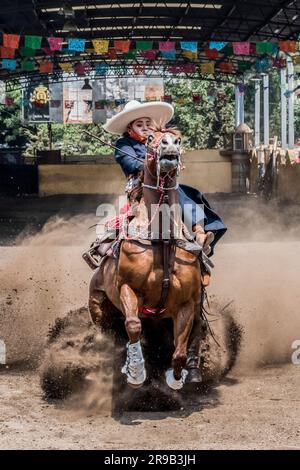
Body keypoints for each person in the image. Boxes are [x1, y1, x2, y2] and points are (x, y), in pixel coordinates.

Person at [83, 100, 227, 270]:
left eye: (148, 123)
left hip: (166, 184)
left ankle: (199, 233)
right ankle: (103, 249)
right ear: (130, 128)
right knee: (125, 219)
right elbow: (129, 163)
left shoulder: (161, 141)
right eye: (139, 124)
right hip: (140, 188)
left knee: (186, 194)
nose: (145, 127)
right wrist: (152, 164)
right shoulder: (125, 144)